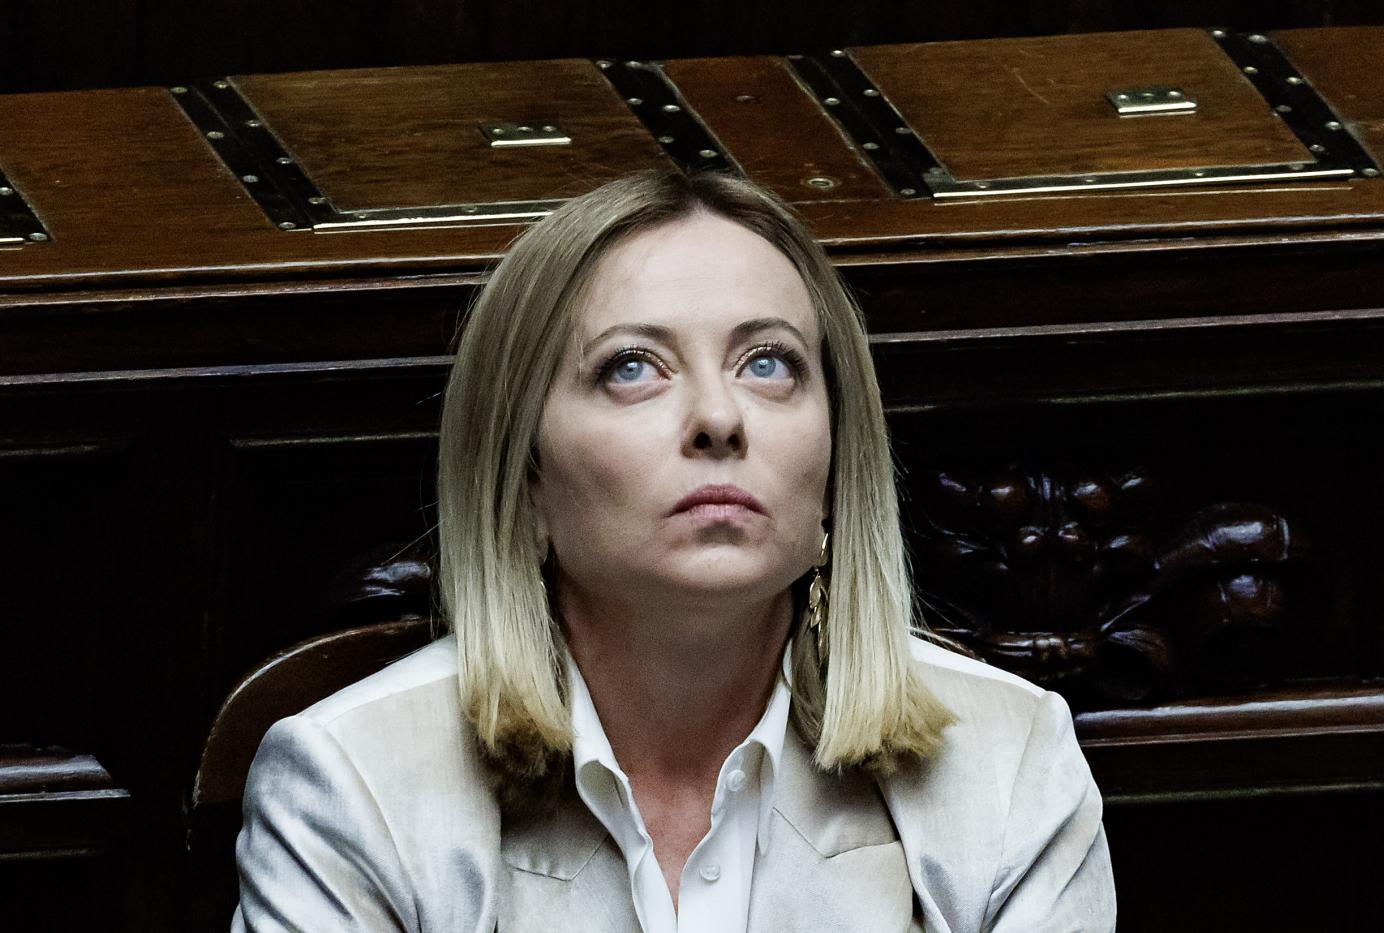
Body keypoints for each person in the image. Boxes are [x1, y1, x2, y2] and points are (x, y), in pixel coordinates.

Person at [231, 170, 1115, 932]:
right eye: (632, 367)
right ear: (524, 478)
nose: (720, 418)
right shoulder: (355, 782)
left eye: (768, 363)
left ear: (835, 470)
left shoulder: (1007, 762)